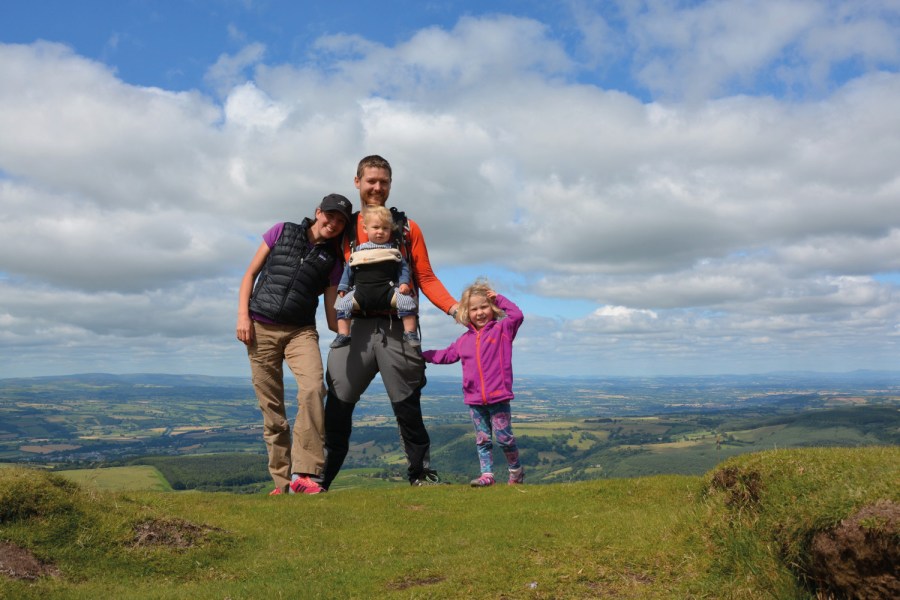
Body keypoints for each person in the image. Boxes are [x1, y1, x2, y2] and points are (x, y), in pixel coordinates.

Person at [322, 155, 459, 489]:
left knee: (407, 406)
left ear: (390, 184)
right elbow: (331, 278)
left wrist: (456, 309)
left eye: (383, 181)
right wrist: (333, 320)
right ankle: (318, 480)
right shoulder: (344, 228)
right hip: (355, 329)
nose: (377, 187)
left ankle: (420, 474)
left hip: (399, 325)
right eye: (371, 180)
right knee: (337, 407)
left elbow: (425, 276)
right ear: (357, 182)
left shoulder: (408, 228)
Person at [236, 193, 353, 495]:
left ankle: (305, 475)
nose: (334, 223)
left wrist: (351, 330)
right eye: (330, 216)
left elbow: (331, 314)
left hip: (301, 331)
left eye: (341, 221)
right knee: (272, 410)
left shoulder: (333, 261)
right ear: (317, 212)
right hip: (260, 327)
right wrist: (243, 317)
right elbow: (250, 274)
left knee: (314, 388)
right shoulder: (282, 231)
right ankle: (281, 483)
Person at [422, 280, 525, 487]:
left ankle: (516, 472)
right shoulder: (463, 340)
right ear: (466, 313)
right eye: (474, 309)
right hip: (475, 399)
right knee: (482, 440)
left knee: (505, 439)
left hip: (498, 397)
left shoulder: (502, 330)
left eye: (484, 306)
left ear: (493, 308)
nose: (479, 313)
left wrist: (498, 298)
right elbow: (446, 355)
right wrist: (421, 355)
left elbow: (517, 315)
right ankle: (487, 475)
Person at [331, 205, 419, 349]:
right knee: (342, 304)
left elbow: (403, 269)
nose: (380, 232)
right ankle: (343, 334)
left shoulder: (393, 252)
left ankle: (410, 332)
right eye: (376, 227)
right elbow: (348, 271)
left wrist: (404, 283)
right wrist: (343, 287)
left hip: (388, 292)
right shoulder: (357, 252)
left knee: (407, 302)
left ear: (391, 230)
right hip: (360, 293)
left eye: (385, 228)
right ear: (365, 229)